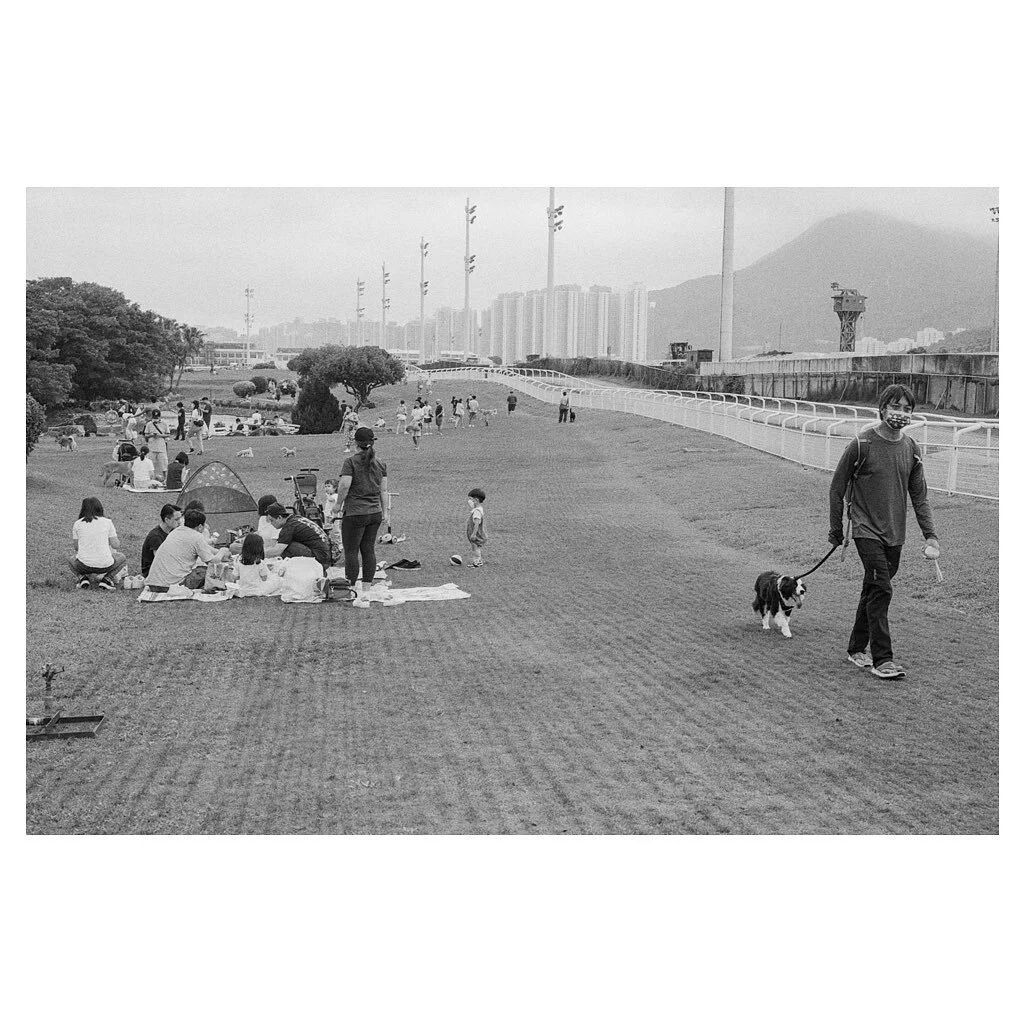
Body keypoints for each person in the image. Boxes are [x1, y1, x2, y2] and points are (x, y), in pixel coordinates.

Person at [828, 384, 940, 680]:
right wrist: (835, 527)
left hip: (895, 533)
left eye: (906, 409)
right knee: (883, 589)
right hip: (866, 530)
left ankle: (855, 649)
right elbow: (837, 487)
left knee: (873, 589)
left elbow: (919, 496)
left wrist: (931, 535)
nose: (900, 414)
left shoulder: (912, 449)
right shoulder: (861, 444)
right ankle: (883, 659)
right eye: (895, 407)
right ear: (882, 408)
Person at [333, 425, 388, 592]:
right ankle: (366, 589)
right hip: (375, 513)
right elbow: (383, 490)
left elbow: (344, 486)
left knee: (351, 551)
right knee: (368, 549)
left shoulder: (350, 462)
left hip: (356, 513)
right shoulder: (380, 463)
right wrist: (384, 512)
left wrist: (337, 505)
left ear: (356, 443)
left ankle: (351, 588)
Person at [143, 508, 232, 593]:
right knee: (207, 571)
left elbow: (205, 547)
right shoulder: (197, 536)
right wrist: (222, 552)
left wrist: (218, 552)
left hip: (153, 584)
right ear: (200, 526)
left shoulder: (176, 531)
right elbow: (214, 562)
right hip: (172, 586)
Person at [68, 497, 128, 590]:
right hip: (105, 565)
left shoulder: (77, 524)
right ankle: (107, 579)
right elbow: (115, 545)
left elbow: (76, 548)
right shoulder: (107, 522)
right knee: (122, 558)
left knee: (71, 559)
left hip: (83, 565)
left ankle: (82, 578)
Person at [263, 502, 331, 571]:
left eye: (272, 520)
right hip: (326, 556)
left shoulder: (289, 526)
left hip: (320, 560)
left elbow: (277, 551)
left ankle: (300, 572)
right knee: (285, 544)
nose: (271, 523)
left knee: (287, 547)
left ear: (279, 517)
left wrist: (259, 554)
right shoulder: (297, 519)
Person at [233, 533, 283, 598]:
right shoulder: (259, 562)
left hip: (243, 590)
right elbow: (264, 578)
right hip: (258, 590)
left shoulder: (237, 559)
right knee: (279, 580)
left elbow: (236, 577)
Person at [140, 503, 183, 577]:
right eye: (176, 519)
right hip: (152, 572)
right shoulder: (156, 537)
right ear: (167, 520)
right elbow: (160, 561)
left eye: (180, 518)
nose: (179, 522)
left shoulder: (172, 530)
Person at [142, 409, 170, 482]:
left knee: (164, 463)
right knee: (150, 464)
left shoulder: (164, 424)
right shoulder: (149, 424)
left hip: (161, 446)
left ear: (159, 417)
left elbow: (168, 434)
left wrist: (160, 435)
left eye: (157, 417)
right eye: (154, 417)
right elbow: (146, 435)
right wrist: (151, 435)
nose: (155, 419)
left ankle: (166, 478)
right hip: (151, 447)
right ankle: (150, 478)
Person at [465, 487, 487, 567]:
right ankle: (478, 561)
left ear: (476, 500)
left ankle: (477, 562)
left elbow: (477, 523)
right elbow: (473, 507)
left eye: (471, 499)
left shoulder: (477, 512)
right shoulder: (478, 508)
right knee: (476, 547)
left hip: (476, 533)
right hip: (476, 533)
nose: (469, 501)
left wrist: (474, 534)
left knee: (475, 548)